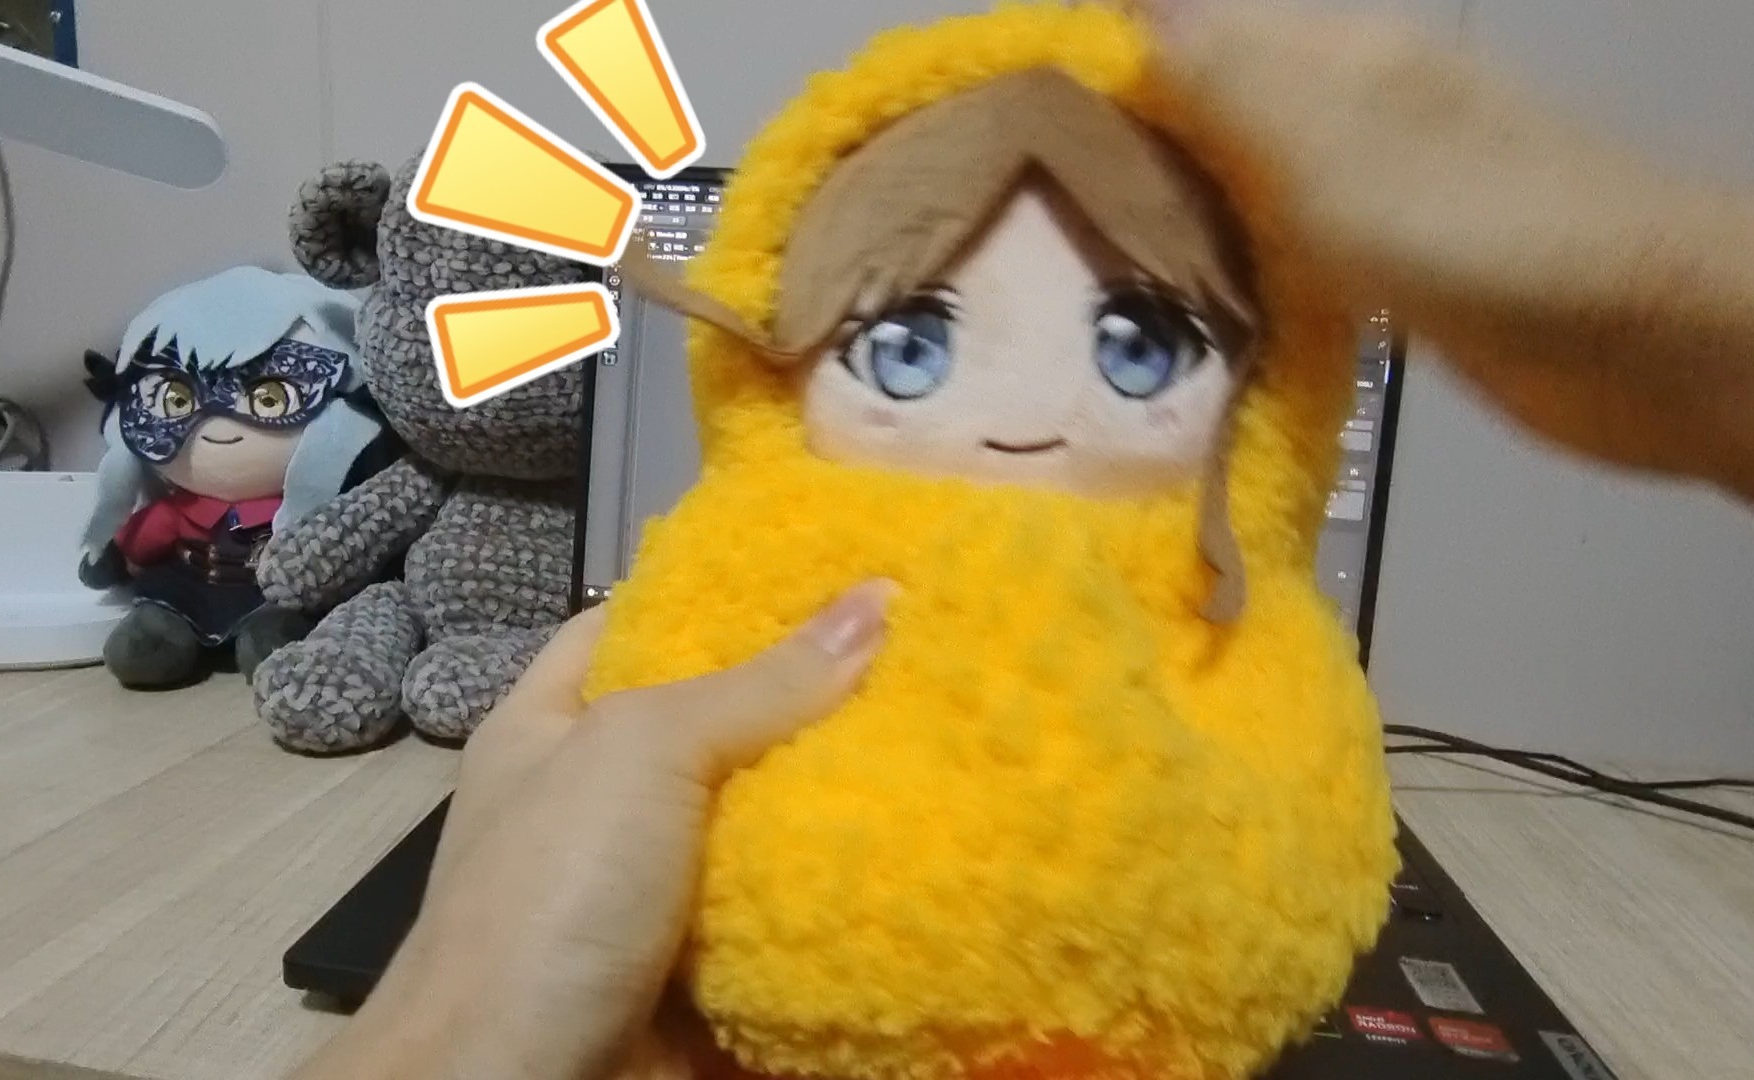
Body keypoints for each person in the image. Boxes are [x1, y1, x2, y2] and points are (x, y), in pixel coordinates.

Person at [292, 5, 1754, 1078]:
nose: (1032, 419)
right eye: (908, 345)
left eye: (1139, 346)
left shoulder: (1226, 604)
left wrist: (450, 1032)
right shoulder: (752, 561)